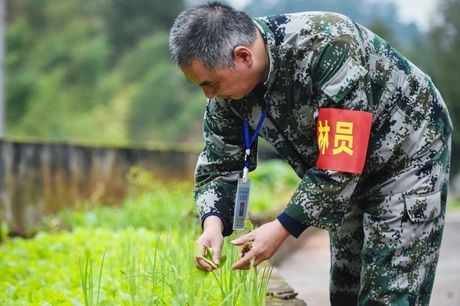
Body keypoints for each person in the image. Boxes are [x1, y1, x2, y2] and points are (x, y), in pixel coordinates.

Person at [169, 2, 452, 305]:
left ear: (243, 56)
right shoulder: (225, 96)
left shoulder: (330, 44)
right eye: (199, 85)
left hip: (406, 158)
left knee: (389, 294)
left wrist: (281, 228)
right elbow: (218, 164)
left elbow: (340, 159)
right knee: (347, 292)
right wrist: (213, 226)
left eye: (210, 84)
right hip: (341, 174)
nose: (208, 95)